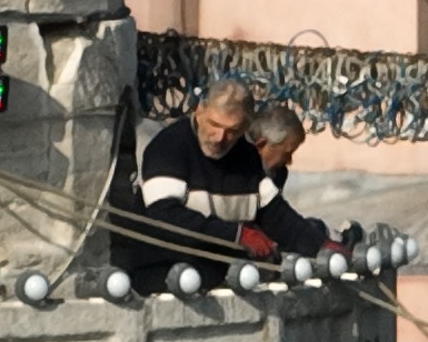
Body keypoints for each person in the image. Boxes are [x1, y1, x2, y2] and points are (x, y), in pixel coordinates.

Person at [131, 84, 342, 265]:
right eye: (214, 125)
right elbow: (164, 216)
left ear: (245, 127)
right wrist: (237, 235)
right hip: (165, 269)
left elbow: (276, 215)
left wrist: (320, 245)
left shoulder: (246, 157)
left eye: (232, 130)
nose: (219, 138)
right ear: (200, 112)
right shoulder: (169, 148)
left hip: (224, 272)